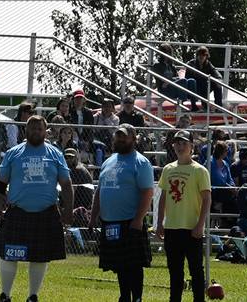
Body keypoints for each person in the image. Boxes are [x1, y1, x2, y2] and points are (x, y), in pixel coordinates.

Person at [0, 114, 73, 302]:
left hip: (46, 212)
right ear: (26, 130)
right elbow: (0, 184)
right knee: (9, 254)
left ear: (46, 131)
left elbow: (66, 184)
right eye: (32, 128)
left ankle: (33, 296)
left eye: (39, 128)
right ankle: (5, 294)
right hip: (17, 211)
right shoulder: (14, 153)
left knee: (40, 256)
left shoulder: (55, 154)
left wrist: (68, 211)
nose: (36, 131)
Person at [90, 124, 153, 302]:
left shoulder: (140, 162)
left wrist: (138, 219)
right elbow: (100, 190)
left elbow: (147, 192)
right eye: (118, 136)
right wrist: (94, 215)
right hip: (110, 221)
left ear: (134, 139)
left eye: (124, 136)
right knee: (119, 263)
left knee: (133, 264)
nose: (120, 139)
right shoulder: (108, 161)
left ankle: (137, 298)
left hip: (130, 220)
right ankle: (124, 296)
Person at [156, 130, 211, 302]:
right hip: (172, 228)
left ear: (191, 147)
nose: (180, 146)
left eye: (184, 143)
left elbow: (207, 200)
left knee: (196, 270)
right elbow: (163, 198)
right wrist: (159, 222)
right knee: (175, 271)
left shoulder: (199, 170)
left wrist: (200, 225)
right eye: (177, 143)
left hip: (191, 228)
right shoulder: (168, 169)